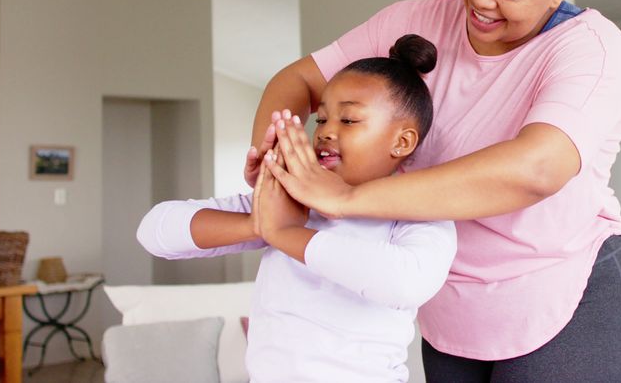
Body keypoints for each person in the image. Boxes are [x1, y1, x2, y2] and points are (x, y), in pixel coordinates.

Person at [249, 0, 621, 382]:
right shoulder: (414, 19)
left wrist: (348, 196)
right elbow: (299, 80)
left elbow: (537, 168)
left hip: (571, 288)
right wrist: (275, 163)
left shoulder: (589, 45)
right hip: (449, 301)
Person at [137, 35, 457, 382]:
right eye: (320, 120)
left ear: (402, 141)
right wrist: (260, 225)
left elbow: (405, 283)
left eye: (348, 120)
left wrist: (287, 234)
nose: (325, 132)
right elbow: (155, 232)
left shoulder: (418, 213)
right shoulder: (286, 203)